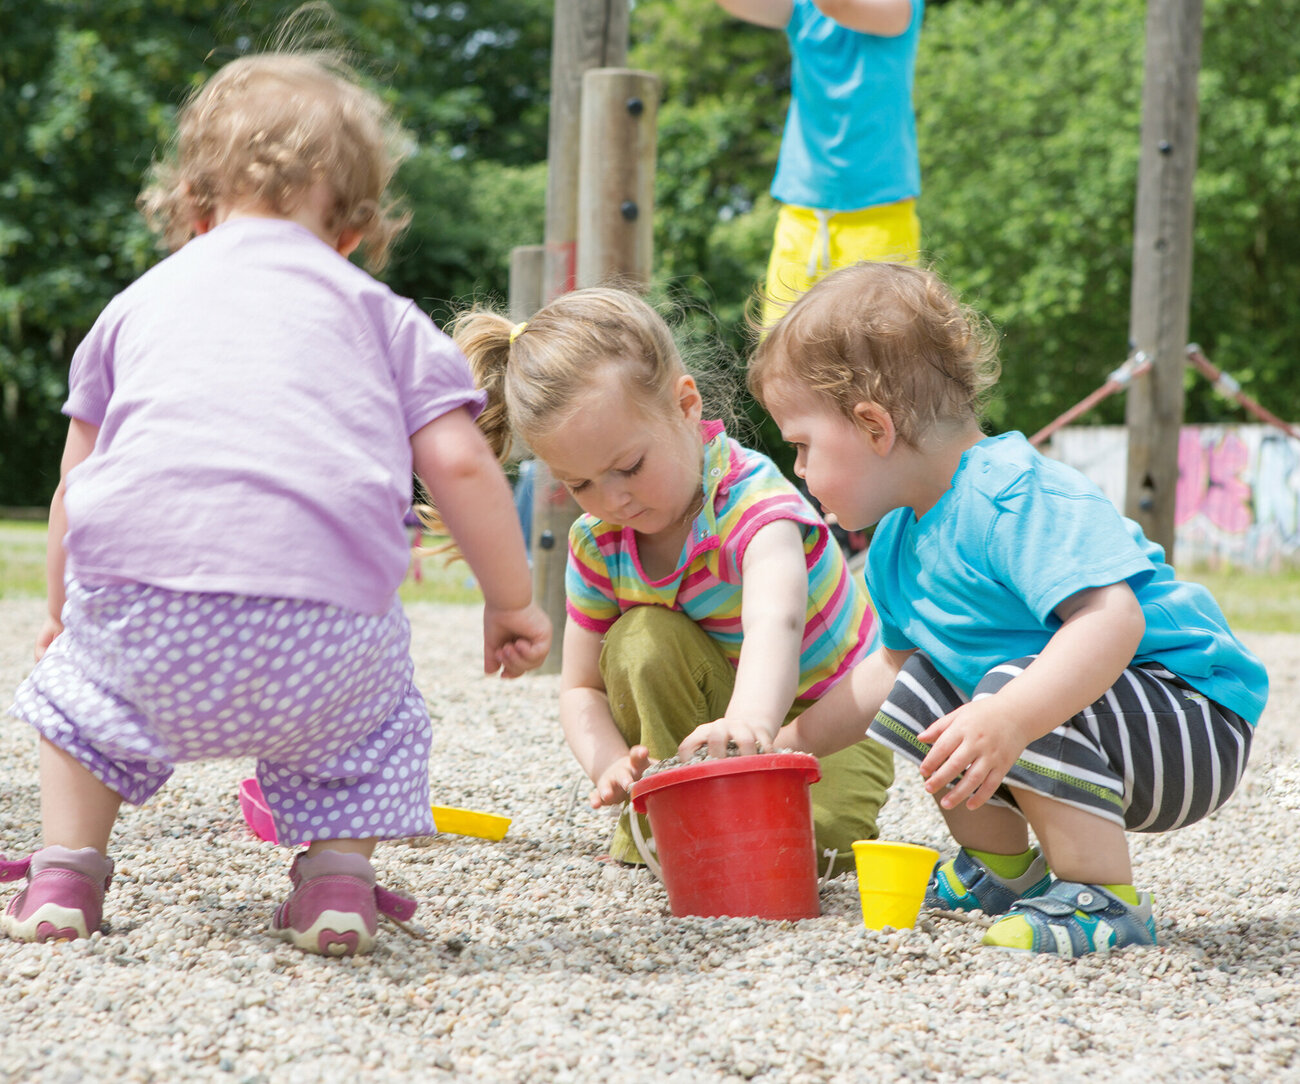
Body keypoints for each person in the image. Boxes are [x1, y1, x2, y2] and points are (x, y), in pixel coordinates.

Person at [1, 47, 550, 956]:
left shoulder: (135, 306)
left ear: (192, 205)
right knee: (377, 721)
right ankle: (337, 882)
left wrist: (64, 614)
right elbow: (458, 465)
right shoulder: (381, 314)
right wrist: (510, 600)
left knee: (75, 707)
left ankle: (67, 873)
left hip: (146, 634)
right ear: (357, 226)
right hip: (320, 650)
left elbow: (76, 481)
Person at [695, 261, 1268, 955]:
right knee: (925, 685)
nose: (802, 473)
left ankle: (1105, 899)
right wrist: (787, 747)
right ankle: (1002, 871)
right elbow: (885, 676)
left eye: (803, 447)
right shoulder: (897, 544)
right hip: (1111, 719)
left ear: (874, 425)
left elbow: (1114, 620)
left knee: (1001, 685)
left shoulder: (1012, 497)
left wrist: (1010, 713)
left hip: (1188, 720)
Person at [453, 288, 895, 878]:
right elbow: (579, 687)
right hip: (712, 715)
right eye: (581, 484)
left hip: (826, 715)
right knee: (640, 639)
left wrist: (753, 728)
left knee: (812, 849)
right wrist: (607, 760)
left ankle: (711, 824)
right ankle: (668, 815)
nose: (614, 499)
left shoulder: (751, 499)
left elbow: (776, 624)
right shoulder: (598, 541)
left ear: (686, 405)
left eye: (629, 467)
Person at [711, 0, 924, 328]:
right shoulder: (803, 10)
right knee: (780, 363)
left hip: (879, 222)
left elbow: (839, 5)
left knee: (875, 368)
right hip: (801, 219)